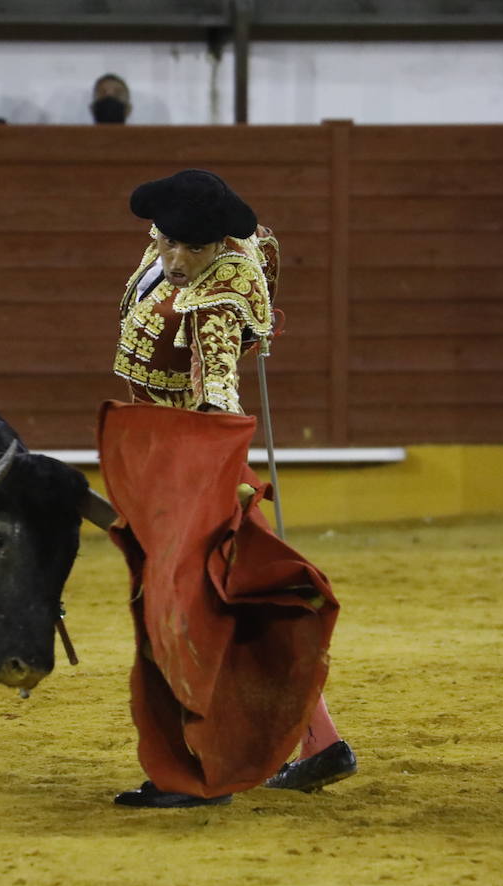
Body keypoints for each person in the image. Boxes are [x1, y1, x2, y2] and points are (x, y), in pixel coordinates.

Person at [101, 169, 357, 808]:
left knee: (190, 617)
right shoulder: (176, 244)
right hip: (168, 457)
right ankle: (321, 743)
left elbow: (218, 395)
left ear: (219, 243)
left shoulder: (217, 302)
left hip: (198, 465)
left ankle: (202, 771)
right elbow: (260, 241)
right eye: (170, 244)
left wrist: (220, 485)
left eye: (196, 248)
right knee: (242, 610)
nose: (179, 259)